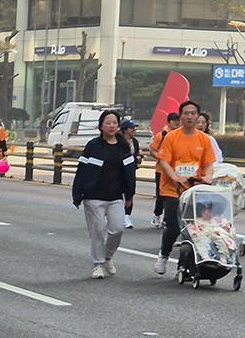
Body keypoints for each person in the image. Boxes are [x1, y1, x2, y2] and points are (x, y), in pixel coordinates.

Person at [73, 111, 136, 279]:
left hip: (115, 196)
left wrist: (129, 194)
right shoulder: (93, 145)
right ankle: (98, 264)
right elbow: (82, 170)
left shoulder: (123, 146)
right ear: (101, 126)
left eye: (114, 123)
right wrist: (77, 193)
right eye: (108, 123)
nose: (111, 125)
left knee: (117, 229)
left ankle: (108, 256)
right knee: (98, 230)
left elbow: (130, 173)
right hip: (93, 196)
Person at [154, 100, 214, 275]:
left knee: (194, 228)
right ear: (180, 116)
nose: (189, 116)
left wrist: (208, 176)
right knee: (173, 226)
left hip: (195, 190)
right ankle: (163, 255)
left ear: (198, 116)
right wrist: (175, 177)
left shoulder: (204, 139)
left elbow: (208, 163)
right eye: (186, 113)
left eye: (193, 113)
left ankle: (185, 264)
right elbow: (164, 161)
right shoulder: (172, 137)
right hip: (172, 189)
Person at [147, 112, 179, 228]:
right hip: (161, 171)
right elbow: (152, 150)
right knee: (161, 195)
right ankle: (157, 215)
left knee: (174, 196)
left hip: (177, 171)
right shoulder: (162, 135)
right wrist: (161, 158)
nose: (176, 123)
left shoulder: (181, 136)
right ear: (169, 122)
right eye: (174, 120)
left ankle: (168, 219)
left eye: (178, 120)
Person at [119, 119, 141, 229]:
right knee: (117, 193)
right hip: (118, 171)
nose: (134, 130)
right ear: (125, 130)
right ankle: (115, 215)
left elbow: (136, 153)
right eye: (131, 128)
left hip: (131, 170)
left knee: (130, 192)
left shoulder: (135, 141)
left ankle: (127, 215)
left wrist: (137, 158)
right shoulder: (118, 140)